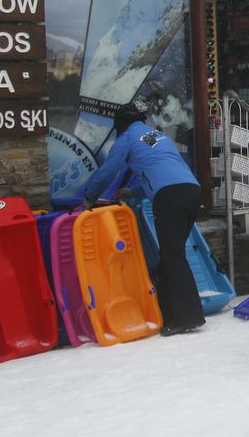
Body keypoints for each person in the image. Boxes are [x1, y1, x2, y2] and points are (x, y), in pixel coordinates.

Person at [80, 99, 206, 337]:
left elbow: (108, 169)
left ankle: (187, 317)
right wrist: (134, 192)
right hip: (191, 190)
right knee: (173, 253)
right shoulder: (156, 136)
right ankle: (175, 312)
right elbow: (163, 168)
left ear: (121, 123)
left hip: (169, 197)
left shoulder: (127, 137)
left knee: (172, 255)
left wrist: (88, 197)